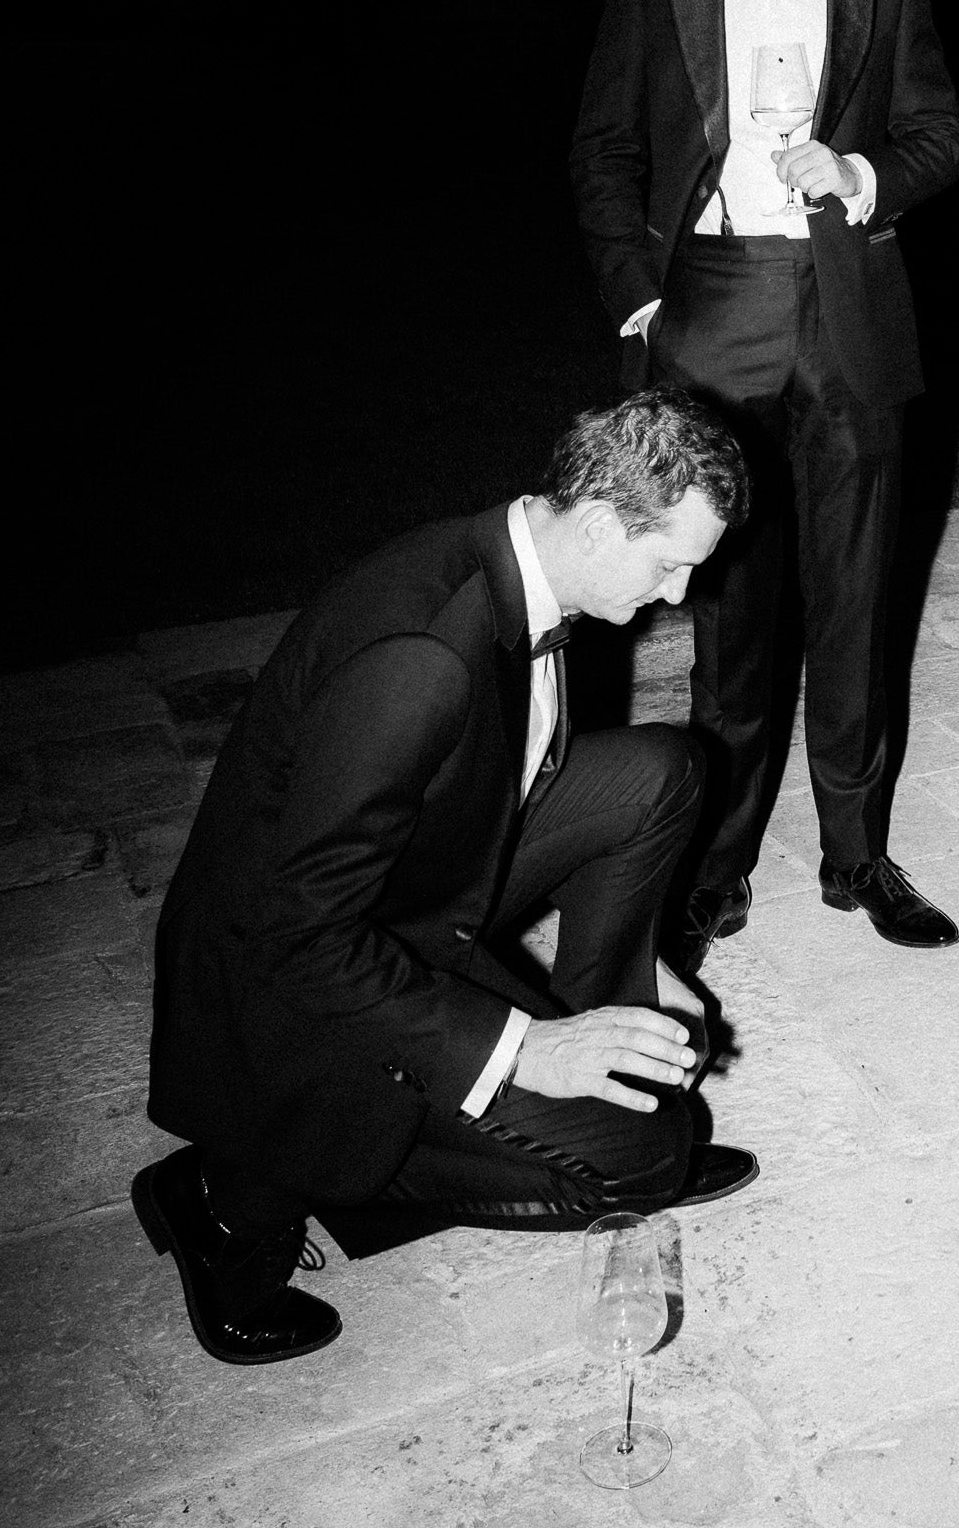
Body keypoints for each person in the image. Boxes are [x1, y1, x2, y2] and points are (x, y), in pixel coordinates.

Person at [134, 390, 752, 1367]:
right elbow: (299, 938)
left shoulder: (519, 558)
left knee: (661, 771)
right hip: (296, 979)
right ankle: (229, 1194)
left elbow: (506, 780)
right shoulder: (420, 658)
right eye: (670, 564)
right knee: (641, 1163)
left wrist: (631, 975)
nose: (678, 596)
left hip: (412, 888)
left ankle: (603, 1047)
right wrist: (522, 1052)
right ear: (598, 522)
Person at [570, 0, 959, 963]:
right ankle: (719, 862)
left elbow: (936, 138)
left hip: (846, 305)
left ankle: (858, 855)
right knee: (730, 614)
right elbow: (603, 153)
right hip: (712, 304)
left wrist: (859, 170)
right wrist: (644, 298)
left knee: (858, 602)